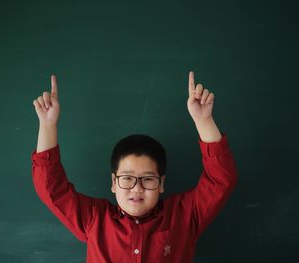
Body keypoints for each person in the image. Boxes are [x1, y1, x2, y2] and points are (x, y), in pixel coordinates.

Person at [31, 71, 237, 262]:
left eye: (148, 179)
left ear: (161, 183)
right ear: (113, 182)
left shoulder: (184, 215)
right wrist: (48, 125)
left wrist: (204, 121)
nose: (136, 189)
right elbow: (52, 190)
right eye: (127, 178)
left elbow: (221, 180)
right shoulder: (94, 219)